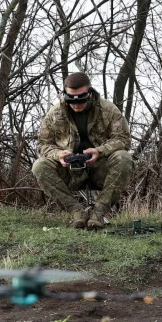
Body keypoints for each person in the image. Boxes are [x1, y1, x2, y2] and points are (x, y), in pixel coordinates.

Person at [32, 72, 134, 229]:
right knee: (39, 166)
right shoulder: (54, 113)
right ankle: (77, 213)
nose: (76, 103)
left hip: (100, 168)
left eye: (81, 98)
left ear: (89, 92)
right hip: (70, 171)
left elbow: (123, 140)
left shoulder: (108, 109)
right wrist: (58, 154)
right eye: (71, 99)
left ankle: (98, 214)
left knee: (124, 158)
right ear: (64, 94)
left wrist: (100, 151)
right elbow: (43, 144)